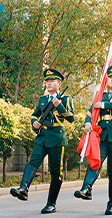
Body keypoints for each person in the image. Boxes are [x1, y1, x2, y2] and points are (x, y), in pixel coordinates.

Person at [10, 69, 74, 213]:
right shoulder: (43, 99)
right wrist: (34, 123)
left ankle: (51, 203)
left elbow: (71, 118)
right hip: (42, 137)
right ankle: (23, 188)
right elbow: (34, 115)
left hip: (57, 138)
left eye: (52, 81)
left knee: (56, 172)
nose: (49, 83)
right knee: (33, 162)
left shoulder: (66, 99)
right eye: (47, 81)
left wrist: (59, 105)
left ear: (59, 83)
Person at [74, 65, 112, 215]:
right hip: (102, 135)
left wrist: (104, 105)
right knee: (95, 161)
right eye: (110, 77)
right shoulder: (101, 95)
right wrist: (87, 122)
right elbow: (91, 110)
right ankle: (86, 188)